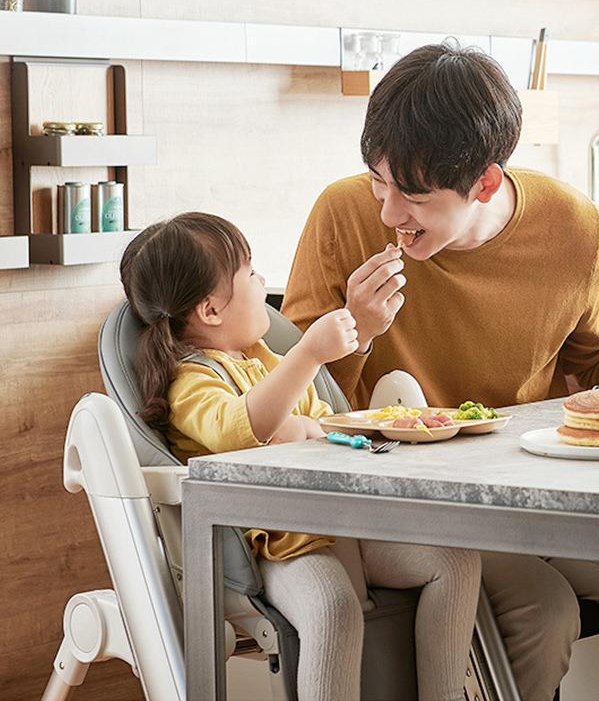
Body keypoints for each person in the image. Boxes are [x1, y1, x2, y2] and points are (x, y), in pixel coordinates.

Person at [281, 42, 599, 701]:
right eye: (379, 181)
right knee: (542, 613)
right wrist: (360, 334)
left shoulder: (573, 229)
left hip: (540, 495)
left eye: (414, 194)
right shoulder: (342, 217)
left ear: (485, 181)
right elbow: (292, 400)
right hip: (413, 512)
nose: (388, 213)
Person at [119, 211, 482, 701]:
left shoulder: (265, 359)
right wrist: (308, 355)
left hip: (341, 524)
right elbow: (236, 428)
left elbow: (319, 423)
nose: (262, 280)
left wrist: (308, 424)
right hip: (279, 541)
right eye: (249, 273)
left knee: (455, 562)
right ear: (210, 310)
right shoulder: (192, 381)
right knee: (333, 609)